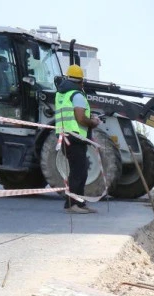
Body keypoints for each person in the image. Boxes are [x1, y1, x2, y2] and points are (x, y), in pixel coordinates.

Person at [54, 64, 99, 214]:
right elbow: (80, 118)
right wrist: (93, 122)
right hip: (74, 136)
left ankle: (79, 203)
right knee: (78, 172)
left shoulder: (62, 94)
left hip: (66, 136)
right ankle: (72, 204)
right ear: (81, 81)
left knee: (80, 170)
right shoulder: (77, 95)